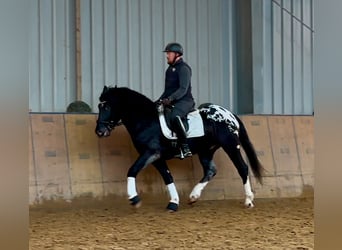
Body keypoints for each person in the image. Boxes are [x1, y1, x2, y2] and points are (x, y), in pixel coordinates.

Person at [157, 42, 195, 158]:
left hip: (185, 101)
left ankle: (185, 147)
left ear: (177, 54)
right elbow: (167, 90)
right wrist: (159, 100)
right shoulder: (169, 70)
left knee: (174, 116)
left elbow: (183, 89)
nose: (167, 56)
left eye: (169, 53)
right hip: (173, 101)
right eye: (167, 53)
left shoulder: (184, 69)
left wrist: (170, 99)